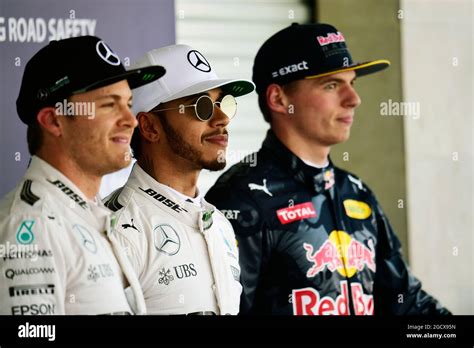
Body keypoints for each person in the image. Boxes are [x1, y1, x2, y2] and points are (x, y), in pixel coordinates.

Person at [205, 23, 451, 315]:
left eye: (353, 83)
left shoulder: (357, 193)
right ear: (279, 99)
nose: (353, 99)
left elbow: (407, 303)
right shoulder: (240, 199)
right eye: (332, 85)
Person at [0, 36, 165, 315]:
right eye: (109, 105)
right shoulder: (30, 225)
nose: (131, 120)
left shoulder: (89, 213)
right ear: (54, 121)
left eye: (128, 103)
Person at [103, 44, 255, 315]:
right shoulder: (115, 232)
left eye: (223, 103)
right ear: (150, 127)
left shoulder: (220, 224)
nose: (222, 119)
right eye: (202, 106)